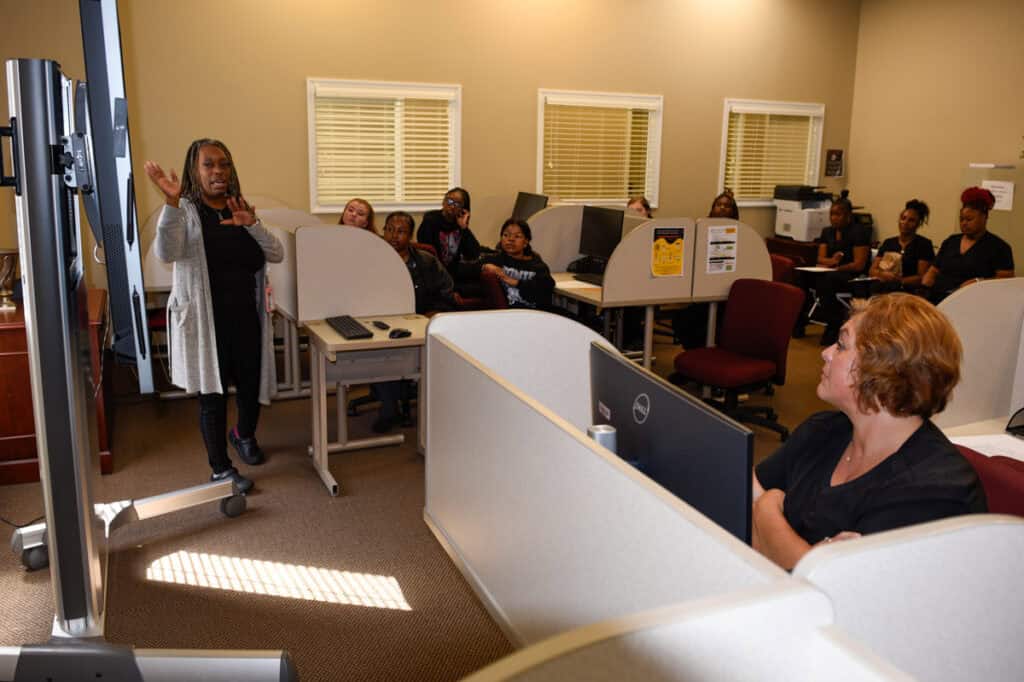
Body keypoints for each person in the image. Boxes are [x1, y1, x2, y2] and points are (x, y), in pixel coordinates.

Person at [752, 293, 986, 570]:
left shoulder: (935, 491)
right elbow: (744, 492)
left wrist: (767, 509)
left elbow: (828, 592)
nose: (825, 352)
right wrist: (797, 547)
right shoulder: (823, 430)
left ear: (883, 370)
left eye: (841, 345)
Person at [145, 139, 283, 494]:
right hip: (206, 321)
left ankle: (243, 434)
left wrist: (251, 224)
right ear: (195, 170)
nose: (218, 171)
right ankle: (220, 469)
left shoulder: (239, 207)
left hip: (245, 314)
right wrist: (171, 202)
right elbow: (167, 250)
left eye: (223, 164)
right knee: (213, 394)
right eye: (208, 165)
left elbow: (276, 253)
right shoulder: (187, 209)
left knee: (251, 386)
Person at [371, 211, 456, 433]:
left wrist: (433, 312)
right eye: (389, 229)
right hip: (383, 323)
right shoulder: (372, 259)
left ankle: (439, 413)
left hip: (420, 320)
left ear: (410, 236)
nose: (393, 236)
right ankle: (388, 410)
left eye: (401, 232)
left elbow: (447, 290)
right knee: (382, 355)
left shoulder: (426, 262)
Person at [797, 191, 871, 346]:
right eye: (832, 214)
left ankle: (833, 325)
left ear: (848, 215)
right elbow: (820, 258)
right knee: (801, 276)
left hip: (851, 276)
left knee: (828, 281)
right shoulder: (827, 231)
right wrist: (832, 261)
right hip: (830, 271)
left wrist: (837, 266)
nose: (834, 218)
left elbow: (859, 264)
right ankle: (800, 321)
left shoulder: (859, 232)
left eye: (838, 214)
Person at [671, 189, 740, 349]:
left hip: (727, 293)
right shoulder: (701, 231)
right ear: (712, 208)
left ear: (733, 211)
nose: (722, 208)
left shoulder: (741, 233)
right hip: (702, 290)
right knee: (683, 320)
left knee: (703, 321)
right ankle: (695, 355)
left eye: (727, 206)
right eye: (718, 205)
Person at [921, 187, 1014, 303]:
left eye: (969, 219)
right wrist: (926, 284)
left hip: (974, 303)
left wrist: (978, 281)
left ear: (984, 217)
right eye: (961, 219)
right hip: (939, 300)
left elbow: (1005, 280)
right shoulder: (951, 241)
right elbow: (934, 269)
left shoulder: (999, 247)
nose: (964, 223)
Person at [470, 218, 555, 309]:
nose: (510, 239)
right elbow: (463, 269)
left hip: (535, 315)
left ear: (526, 242)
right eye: (506, 235)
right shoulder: (496, 260)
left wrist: (515, 282)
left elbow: (546, 289)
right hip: (508, 316)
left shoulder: (537, 266)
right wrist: (484, 266)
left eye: (517, 236)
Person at [415, 187, 482, 293]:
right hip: (433, 274)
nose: (452, 205)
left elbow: (473, 254)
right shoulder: (430, 221)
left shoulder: (460, 225)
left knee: (480, 285)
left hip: (452, 273)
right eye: (449, 200)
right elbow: (427, 254)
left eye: (457, 203)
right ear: (443, 201)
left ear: (464, 209)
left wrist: (464, 228)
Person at [867, 199, 934, 293]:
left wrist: (898, 281)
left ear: (918, 224)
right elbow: (872, 270)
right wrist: (882, 274)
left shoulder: (924, 244)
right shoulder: (888, 243)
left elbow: (922, 276)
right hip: (884, 284)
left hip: (908, 289)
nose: (905, 223)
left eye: (911, 220)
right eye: (903, 218)